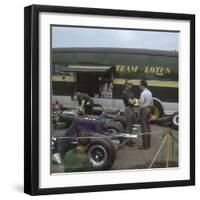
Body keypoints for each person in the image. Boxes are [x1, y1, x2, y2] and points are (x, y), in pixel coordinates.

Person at [138, 80, 153, 150]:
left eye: (140, 85)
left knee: (144, 128)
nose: (139, 86)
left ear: (143, 85)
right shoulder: (150, 92)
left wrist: (137, 103)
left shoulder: (143, 94)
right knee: (148, 127)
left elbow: (140, 105)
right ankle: (149, 144)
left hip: (144, 110)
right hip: (149, 110)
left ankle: (145, 145)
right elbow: (152, 103)